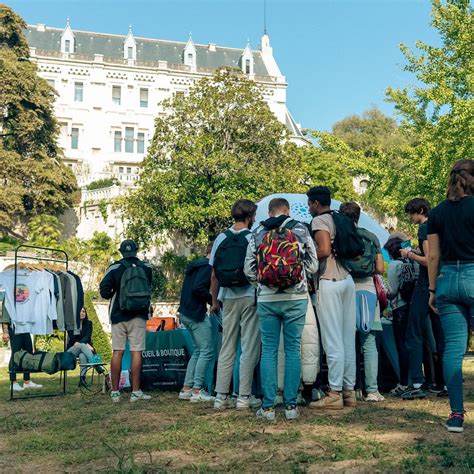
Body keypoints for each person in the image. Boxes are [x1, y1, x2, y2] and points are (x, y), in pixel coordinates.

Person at [244, 198, 318, 420]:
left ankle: (267, 408)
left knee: (269, 349)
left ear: (269, 212)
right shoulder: (300, 229)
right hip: (296, 296)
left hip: (267, 299)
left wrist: (263, 283)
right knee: (293, 349)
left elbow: (248, 269)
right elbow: (313, 265)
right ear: (288, 211)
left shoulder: (258, 232)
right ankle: (291, 407)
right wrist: (297, 276)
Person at [427, 159, 474, 433]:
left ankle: (456, 415)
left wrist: (433, 290)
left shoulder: (438, 212)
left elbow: (433, 255)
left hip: (446, 282)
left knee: (453, 350)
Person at [307, 186, 357, 410]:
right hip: (348, 280)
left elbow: (325, 250)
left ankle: (334, 392)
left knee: (332, 340)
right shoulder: (340, 218)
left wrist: (304, 258)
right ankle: (349, 392)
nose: (309, 208)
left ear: (316, 204)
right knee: (347, 339)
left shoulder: (319, 222)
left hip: (329, 281)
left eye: (310, 204)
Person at [210, 199, 261, 411]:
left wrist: (214, 300)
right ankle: (243, 396)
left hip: (227, 296)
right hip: (249, 294)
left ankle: (221, 396)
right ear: (250, 216)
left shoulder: (221, 237)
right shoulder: (254, 237)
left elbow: (213, 274)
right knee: (248, 346)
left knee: (227, 346)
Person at [339, 201, 385, 402]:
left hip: (344, 288)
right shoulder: (371, 237)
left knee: (346, 341)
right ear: (359, 216)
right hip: (367, 290)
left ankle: (350, 387)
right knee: (368, 341)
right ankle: (372, 390)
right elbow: (380, 269)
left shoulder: (338, 236)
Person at [400, 198, 444, 399]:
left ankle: (417, 381)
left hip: (426, 285)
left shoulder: (424, 229)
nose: (410, 217)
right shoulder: (439, 225)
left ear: (420, 210)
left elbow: (428, 260)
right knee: (439, 335)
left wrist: (410, 255)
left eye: (411, 213)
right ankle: (441, 383)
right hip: (442, 283)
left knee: (413, 332)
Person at [99, 239, 153, 403]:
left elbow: (104, 292)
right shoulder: (146, 267)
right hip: (139, 315)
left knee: (118, 351)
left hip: (118, 315)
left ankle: (115, 392)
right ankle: (136, 392)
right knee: (136, 351)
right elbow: (148, 287)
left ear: (121, 252)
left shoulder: (115, 267)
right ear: (136, 251)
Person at [178, 241, 215, 403]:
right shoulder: (207, 267)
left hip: (185, 312)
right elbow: (199, 288)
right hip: (196, 314)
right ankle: (197, 390)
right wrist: (213, 300)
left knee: (198, 351)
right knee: (207, 350)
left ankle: (186, 388)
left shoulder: (195, 265)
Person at [384, 236, 412, 396]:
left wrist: (382, 294)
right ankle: (415, 380)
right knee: (411, 345)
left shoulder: (394, 265)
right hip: (410, 307)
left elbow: (392, 291)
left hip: (399, 308)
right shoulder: (409, 263)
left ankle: (403, 383)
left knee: (400, 346)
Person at [67, 307, 103, 387]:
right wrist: (83, 344)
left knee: (82, 356)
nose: (82, 313)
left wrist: (80, 344)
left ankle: (82, 380)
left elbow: (87, 337)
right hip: (72, 350)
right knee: (82, 345)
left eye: (83, 311)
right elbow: (72, 339)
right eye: (80, 311)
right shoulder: (71, 324)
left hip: (83, 349)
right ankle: (96, 365)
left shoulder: (89, 323)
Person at [2, 323, 43, 392]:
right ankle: (13, 383)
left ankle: (27, 381)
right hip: (15, 329)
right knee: (15, 355)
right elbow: (5, 318)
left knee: (29, 354)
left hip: (25, 329)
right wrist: (5, 332)